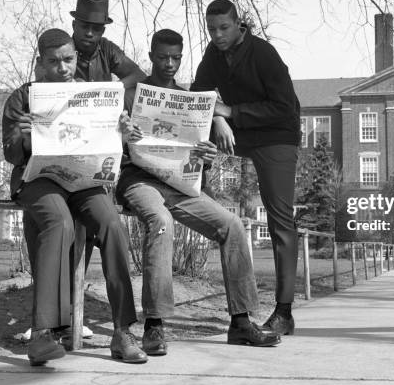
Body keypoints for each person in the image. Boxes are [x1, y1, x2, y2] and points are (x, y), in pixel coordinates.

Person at [116, 29, 280, 354]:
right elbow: (107, 144)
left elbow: (197, 152)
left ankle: (241, 323)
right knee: (161, 221)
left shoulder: (189, 101)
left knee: (232, 226)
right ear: (150, 56)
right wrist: (121, 132)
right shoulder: (132, 94)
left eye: (176, 57)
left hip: (178, 183)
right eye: (163, 57)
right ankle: (155, 326)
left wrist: (206, 154)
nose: (169, 64)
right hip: (138, 180)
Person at [3, 28, 147, 366]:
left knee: (111, 222)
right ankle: (42, 334)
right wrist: (23, 138)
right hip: (39, 179)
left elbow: (111, 145)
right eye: (53, 62)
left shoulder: (94, 96)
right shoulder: (23, 98)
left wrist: (122, 133)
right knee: (60, 223)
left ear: (75, 60)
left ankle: (122, 331)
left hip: (84, 178)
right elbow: (11, 155)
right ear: (39, 65)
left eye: (68, 60)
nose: (62, 68)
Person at [190, 0, 301, 336]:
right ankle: (184, 199)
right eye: (211, 29)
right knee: (194, 139)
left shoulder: (263, 54)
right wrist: (216, 119)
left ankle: (284, 312)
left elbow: (284, 109)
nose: (218, 35)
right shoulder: (213, 54)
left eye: (224, 27)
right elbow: (198, 96)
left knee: (281, 218)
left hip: (276, 134)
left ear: (239, 24)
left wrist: (230, 113)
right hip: (237, 131)